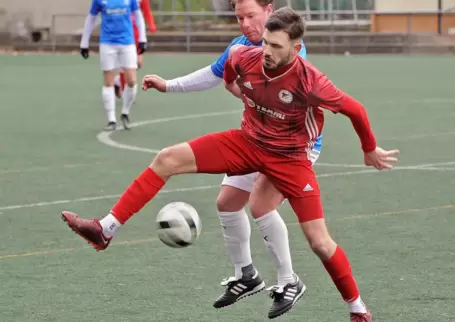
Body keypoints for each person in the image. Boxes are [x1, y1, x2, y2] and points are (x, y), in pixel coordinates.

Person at [62, 7, 400, 321]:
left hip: (290, 159)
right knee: (168, 159)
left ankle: (357, 310)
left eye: (276, 46)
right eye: (266, 41)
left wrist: (369, 150)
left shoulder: (310, 81)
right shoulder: (244, 55)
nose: (267, 50)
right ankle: (105, 229)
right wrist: (243, 93)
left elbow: (356, 110)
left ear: (295, 49)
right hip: (248, 143)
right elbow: (227, 75)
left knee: (319, 241)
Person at [140, 0, 320, 316]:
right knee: (227, 203)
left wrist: (239, 84)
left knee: (261, 203)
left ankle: (289, 280)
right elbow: (212, 74)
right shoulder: (238, 46)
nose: (245, 23)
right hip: (258, 140)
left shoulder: (287, 50)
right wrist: (168, 86)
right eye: (239, 17)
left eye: (251, 15)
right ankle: (246, 275)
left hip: (294, 146)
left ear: (270, 10)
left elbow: (266, 87)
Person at [80, 0, 148, 131]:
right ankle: (111, 119)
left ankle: (125, 112)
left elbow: (138, 15)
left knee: (132, 81)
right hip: (107, 43)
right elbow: (91, 19)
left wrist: (142, 39)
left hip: (127, 42)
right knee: (108, 81)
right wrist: (84, 43)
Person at [114, 0, 158, 129]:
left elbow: (146, 12)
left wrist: (151, 24)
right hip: (123, 37)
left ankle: (118, 82)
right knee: (126, 68)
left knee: (137, 64)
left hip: (137, 36)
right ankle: (121, 86)